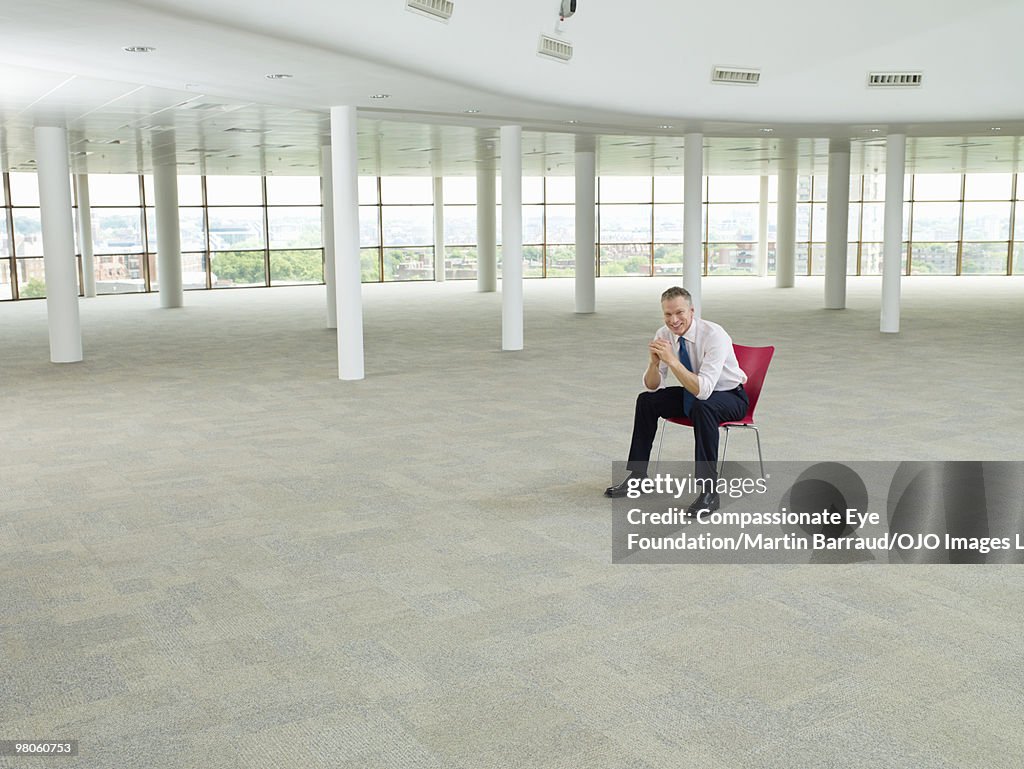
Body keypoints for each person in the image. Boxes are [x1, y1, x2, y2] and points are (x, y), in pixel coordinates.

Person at [604, 286, 748, 516]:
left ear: (692, 311)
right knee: (646, 401)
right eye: (668, 314)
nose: (674, 320)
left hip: (730, 396)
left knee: (703, 407)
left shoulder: (714, 335)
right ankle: (638, 476)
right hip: (693, 392)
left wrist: (672, 361)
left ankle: (709, 492)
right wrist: (653, 364)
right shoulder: (663, 334)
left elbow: (704, 390)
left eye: (679, 313)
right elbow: (653, 385)